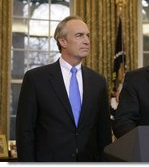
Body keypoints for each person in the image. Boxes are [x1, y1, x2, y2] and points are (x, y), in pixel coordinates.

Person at [16, 15, 112, 162]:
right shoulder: (36, 79)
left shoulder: (98, 82)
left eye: (87, 36)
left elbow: (103, 134)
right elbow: (25, 132)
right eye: (79, 35)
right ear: (62, 41)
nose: (87, 41)